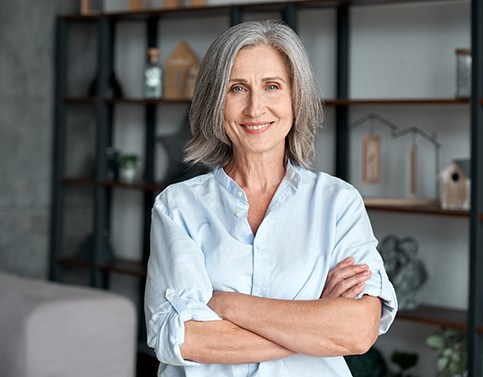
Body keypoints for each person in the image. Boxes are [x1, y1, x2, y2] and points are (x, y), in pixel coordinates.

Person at [144, 19, 397, 377]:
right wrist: (316, 322)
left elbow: (357, 331)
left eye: (272, 86)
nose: (255, 108)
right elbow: (184, 339)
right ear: (215, 101)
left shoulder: (338, 204)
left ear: (296, 98)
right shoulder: (177, 207)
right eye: (237, 89)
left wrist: (226, 304)